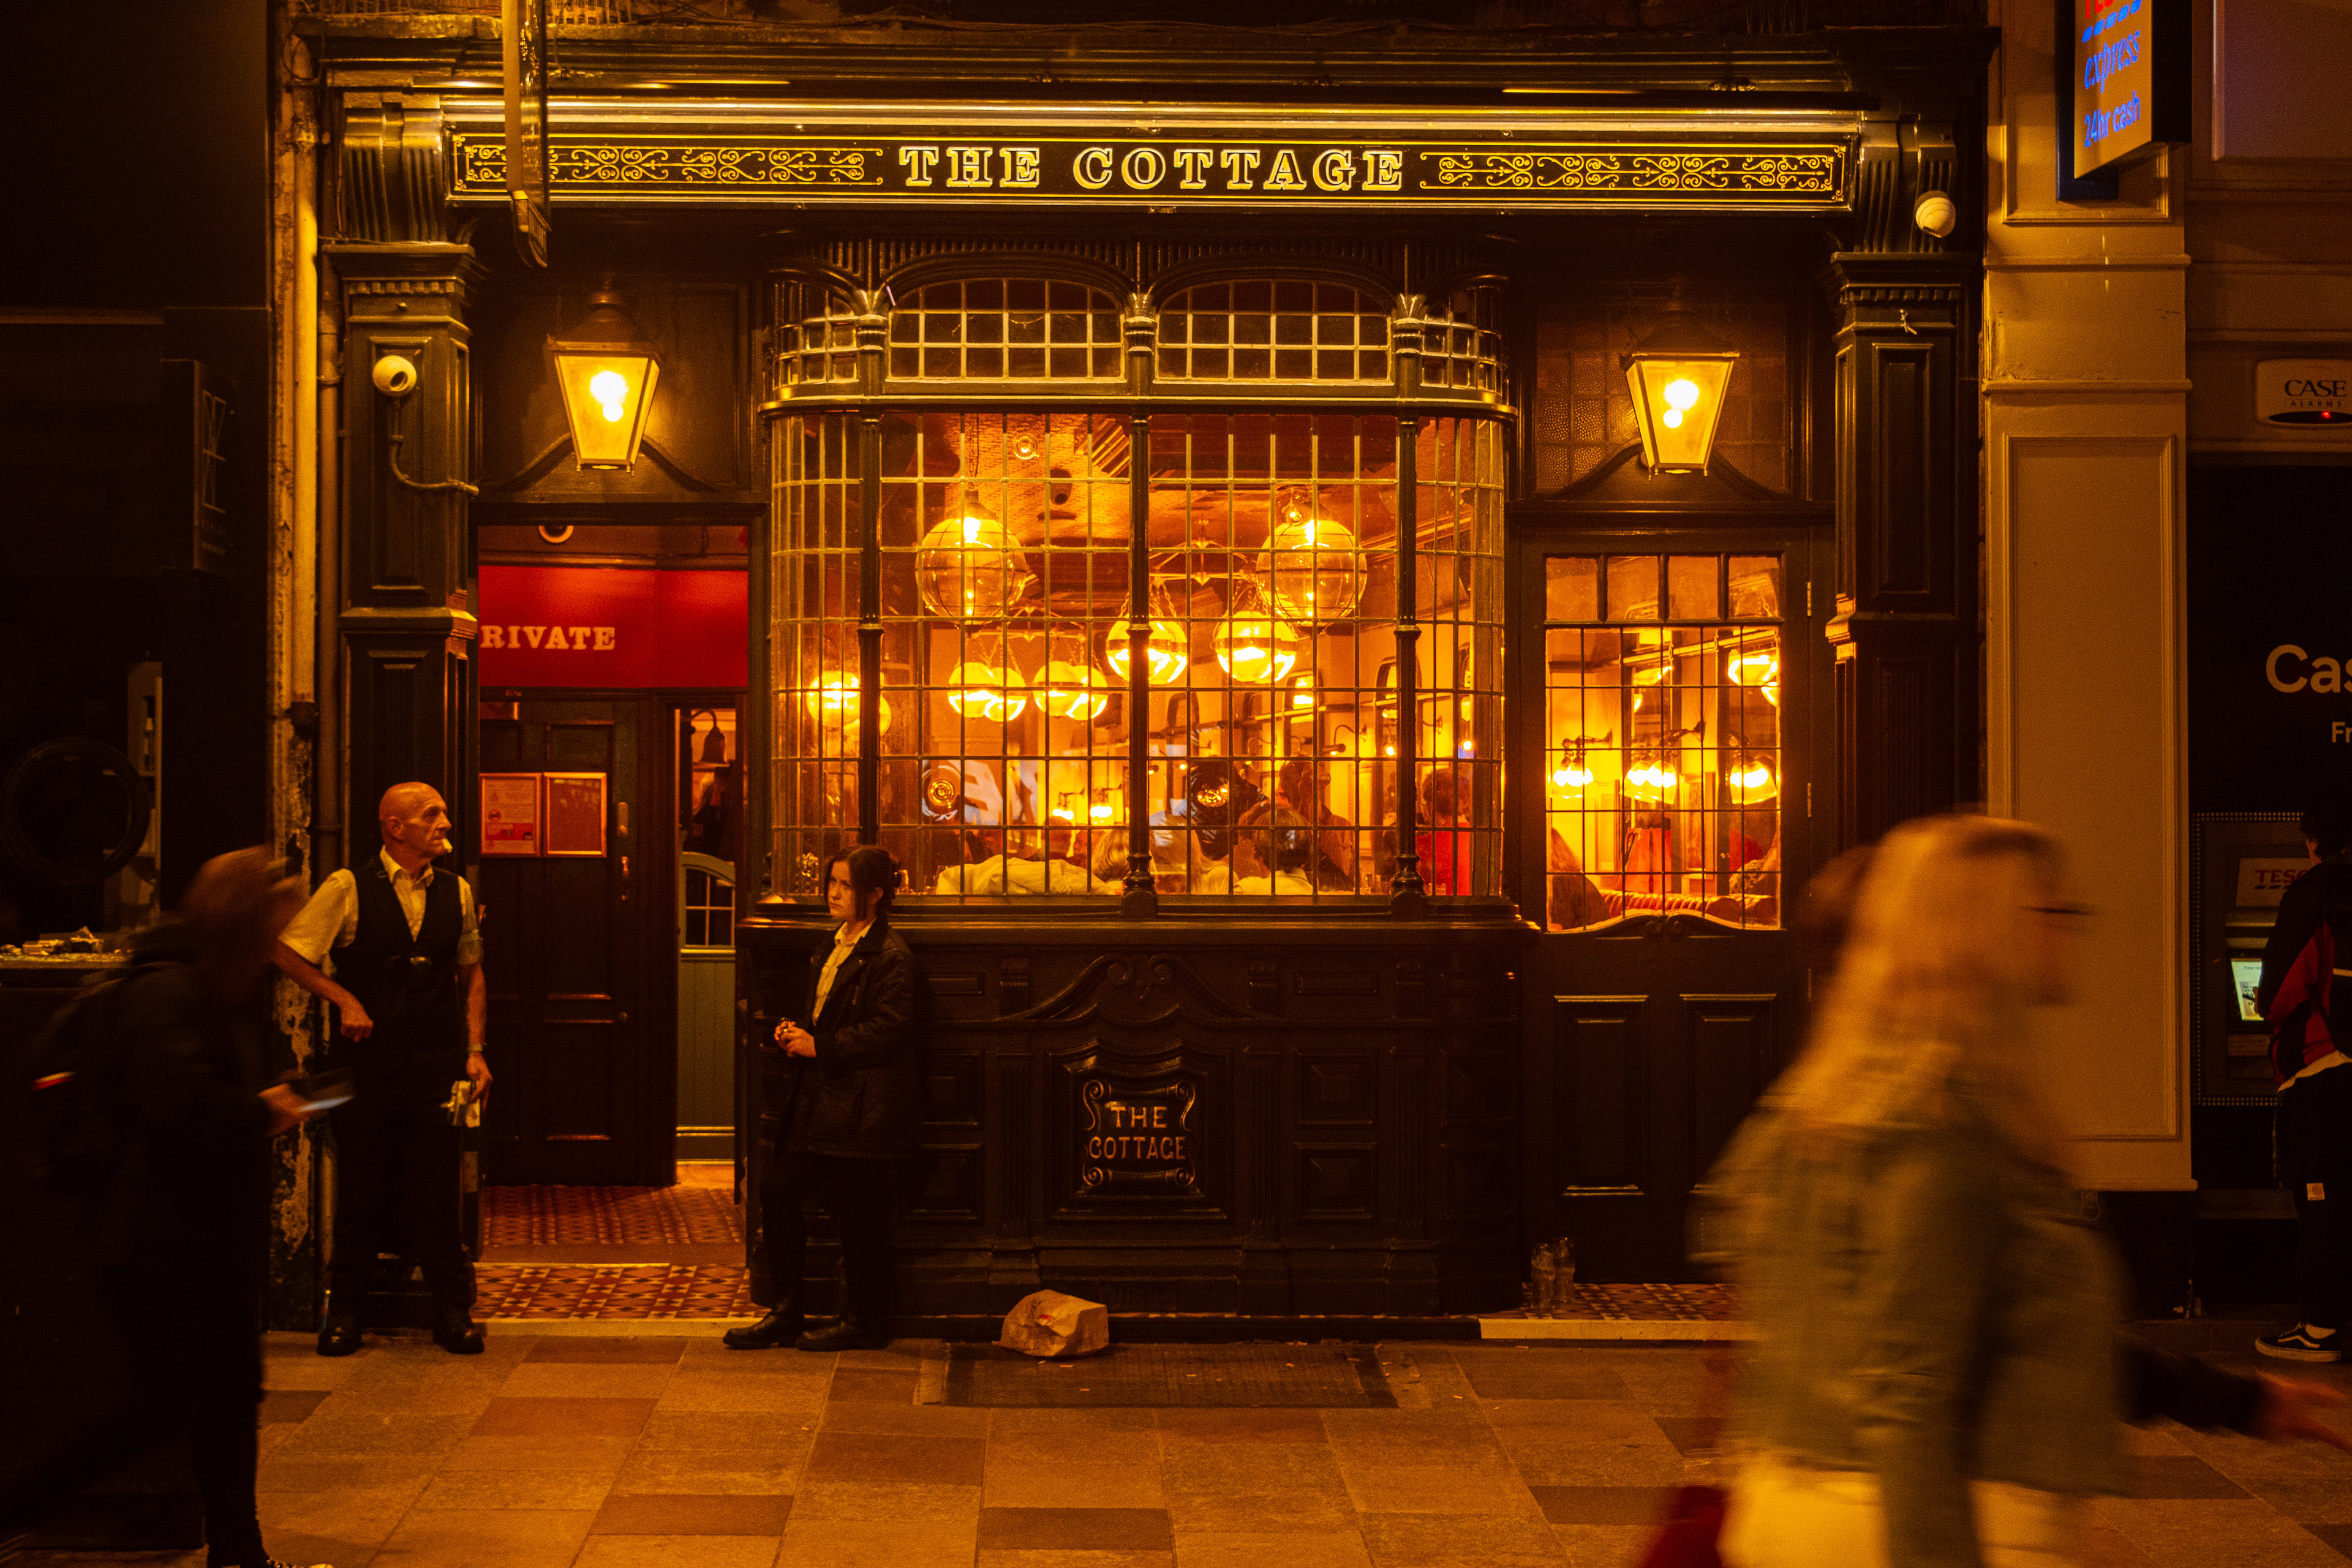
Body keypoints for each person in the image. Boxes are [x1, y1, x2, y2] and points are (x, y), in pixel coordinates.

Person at [1706, 814, 2350, 1568]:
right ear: (1982, 928)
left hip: (1816, 1504)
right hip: (1929, 1519)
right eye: (2051, 907)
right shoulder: (1941, 1124)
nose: (2074, 923)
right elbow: (1911, 1394)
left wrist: (2238, 1402)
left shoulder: (1827, 1107)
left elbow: (2020, 1338)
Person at [1, 850, 328, 1567]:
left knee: (223, 1399)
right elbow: (179, 1108)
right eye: (273, 926)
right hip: (160, 1239)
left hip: (195, 1236)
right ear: (244, 924)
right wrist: (262, 1108)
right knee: (158, 1408)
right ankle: (16, 1507)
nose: (279, 947)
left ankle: (240, 1552)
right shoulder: (168, 991)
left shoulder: (211, 988)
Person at [274, 783, 490, 1357]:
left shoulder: (458, 892)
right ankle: (344, 1313)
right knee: (362, 1192)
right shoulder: (347, 887)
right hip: (369, 1066)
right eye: (431, 815)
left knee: (438, 1193)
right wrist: (343, 999)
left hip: (437, 1063)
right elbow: (288, 950)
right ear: (395, 827)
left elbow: (471, 973)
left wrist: (475, 1050)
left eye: (443, 812)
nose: (445, 823)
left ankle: (453, 1313)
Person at [727, 843, 919, 1353]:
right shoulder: (833, 944)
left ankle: (863, 1320)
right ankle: (787, 1310)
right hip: (822, 1096)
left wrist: (821, 1045)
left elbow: (891, 1030)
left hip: (860, 1103)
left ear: (875, 894)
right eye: (831, 883)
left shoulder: (890, 955)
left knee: (858, 1213)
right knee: (778, 1189)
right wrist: (799, 1033)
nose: (833, 894)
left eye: (846, 886)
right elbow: (831, 1014)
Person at [2253, 791, 2352, 1362]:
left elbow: (2279, 988)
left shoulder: (2313, 894)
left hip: (2325, 1067)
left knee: (2322, 1198)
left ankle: (2318, 1328)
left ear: (2315, 841)